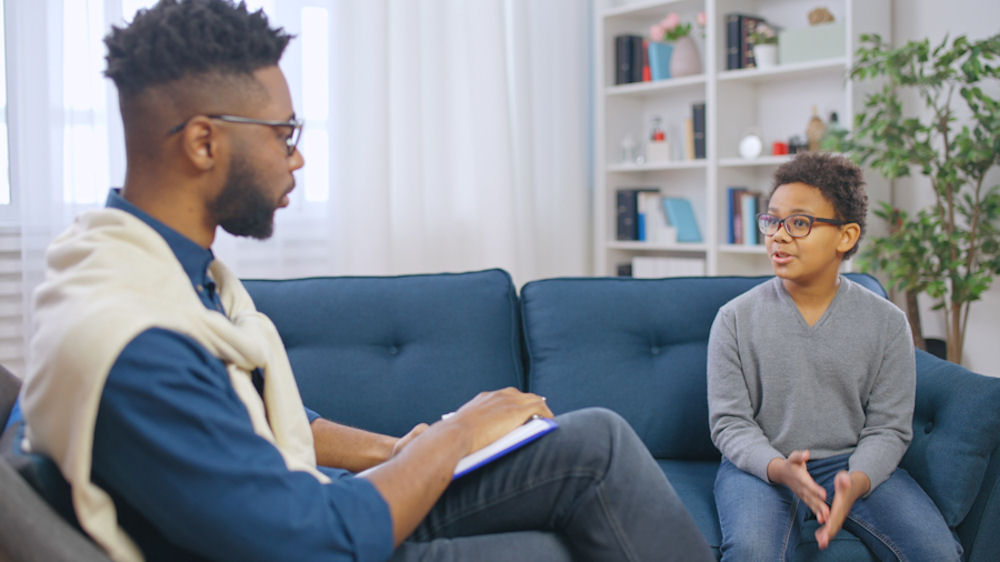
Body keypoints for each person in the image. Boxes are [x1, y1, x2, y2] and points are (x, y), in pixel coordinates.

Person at [17, 1, 713, 560]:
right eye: (283, 134)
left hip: (303, 501)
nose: (297, 158)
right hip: (319, 530)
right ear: (204, 142)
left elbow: (259, 413)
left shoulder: (157, 269)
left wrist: (398, 450)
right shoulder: (135, 341)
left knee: (592, 443)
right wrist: (456, 433)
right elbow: (314, 540)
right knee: (557, 522)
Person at [707, 152, 961, 561]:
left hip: (851, 464)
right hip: (762, 468)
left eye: (799, 223)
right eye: (772, 221)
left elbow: (889, 428)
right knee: (752, 551)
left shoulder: (888, 323)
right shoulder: (734, 319)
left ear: (845, 237)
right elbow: (730, 423)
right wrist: (779, 469)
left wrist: (856, 480)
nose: (778, 236)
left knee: (938, 553)